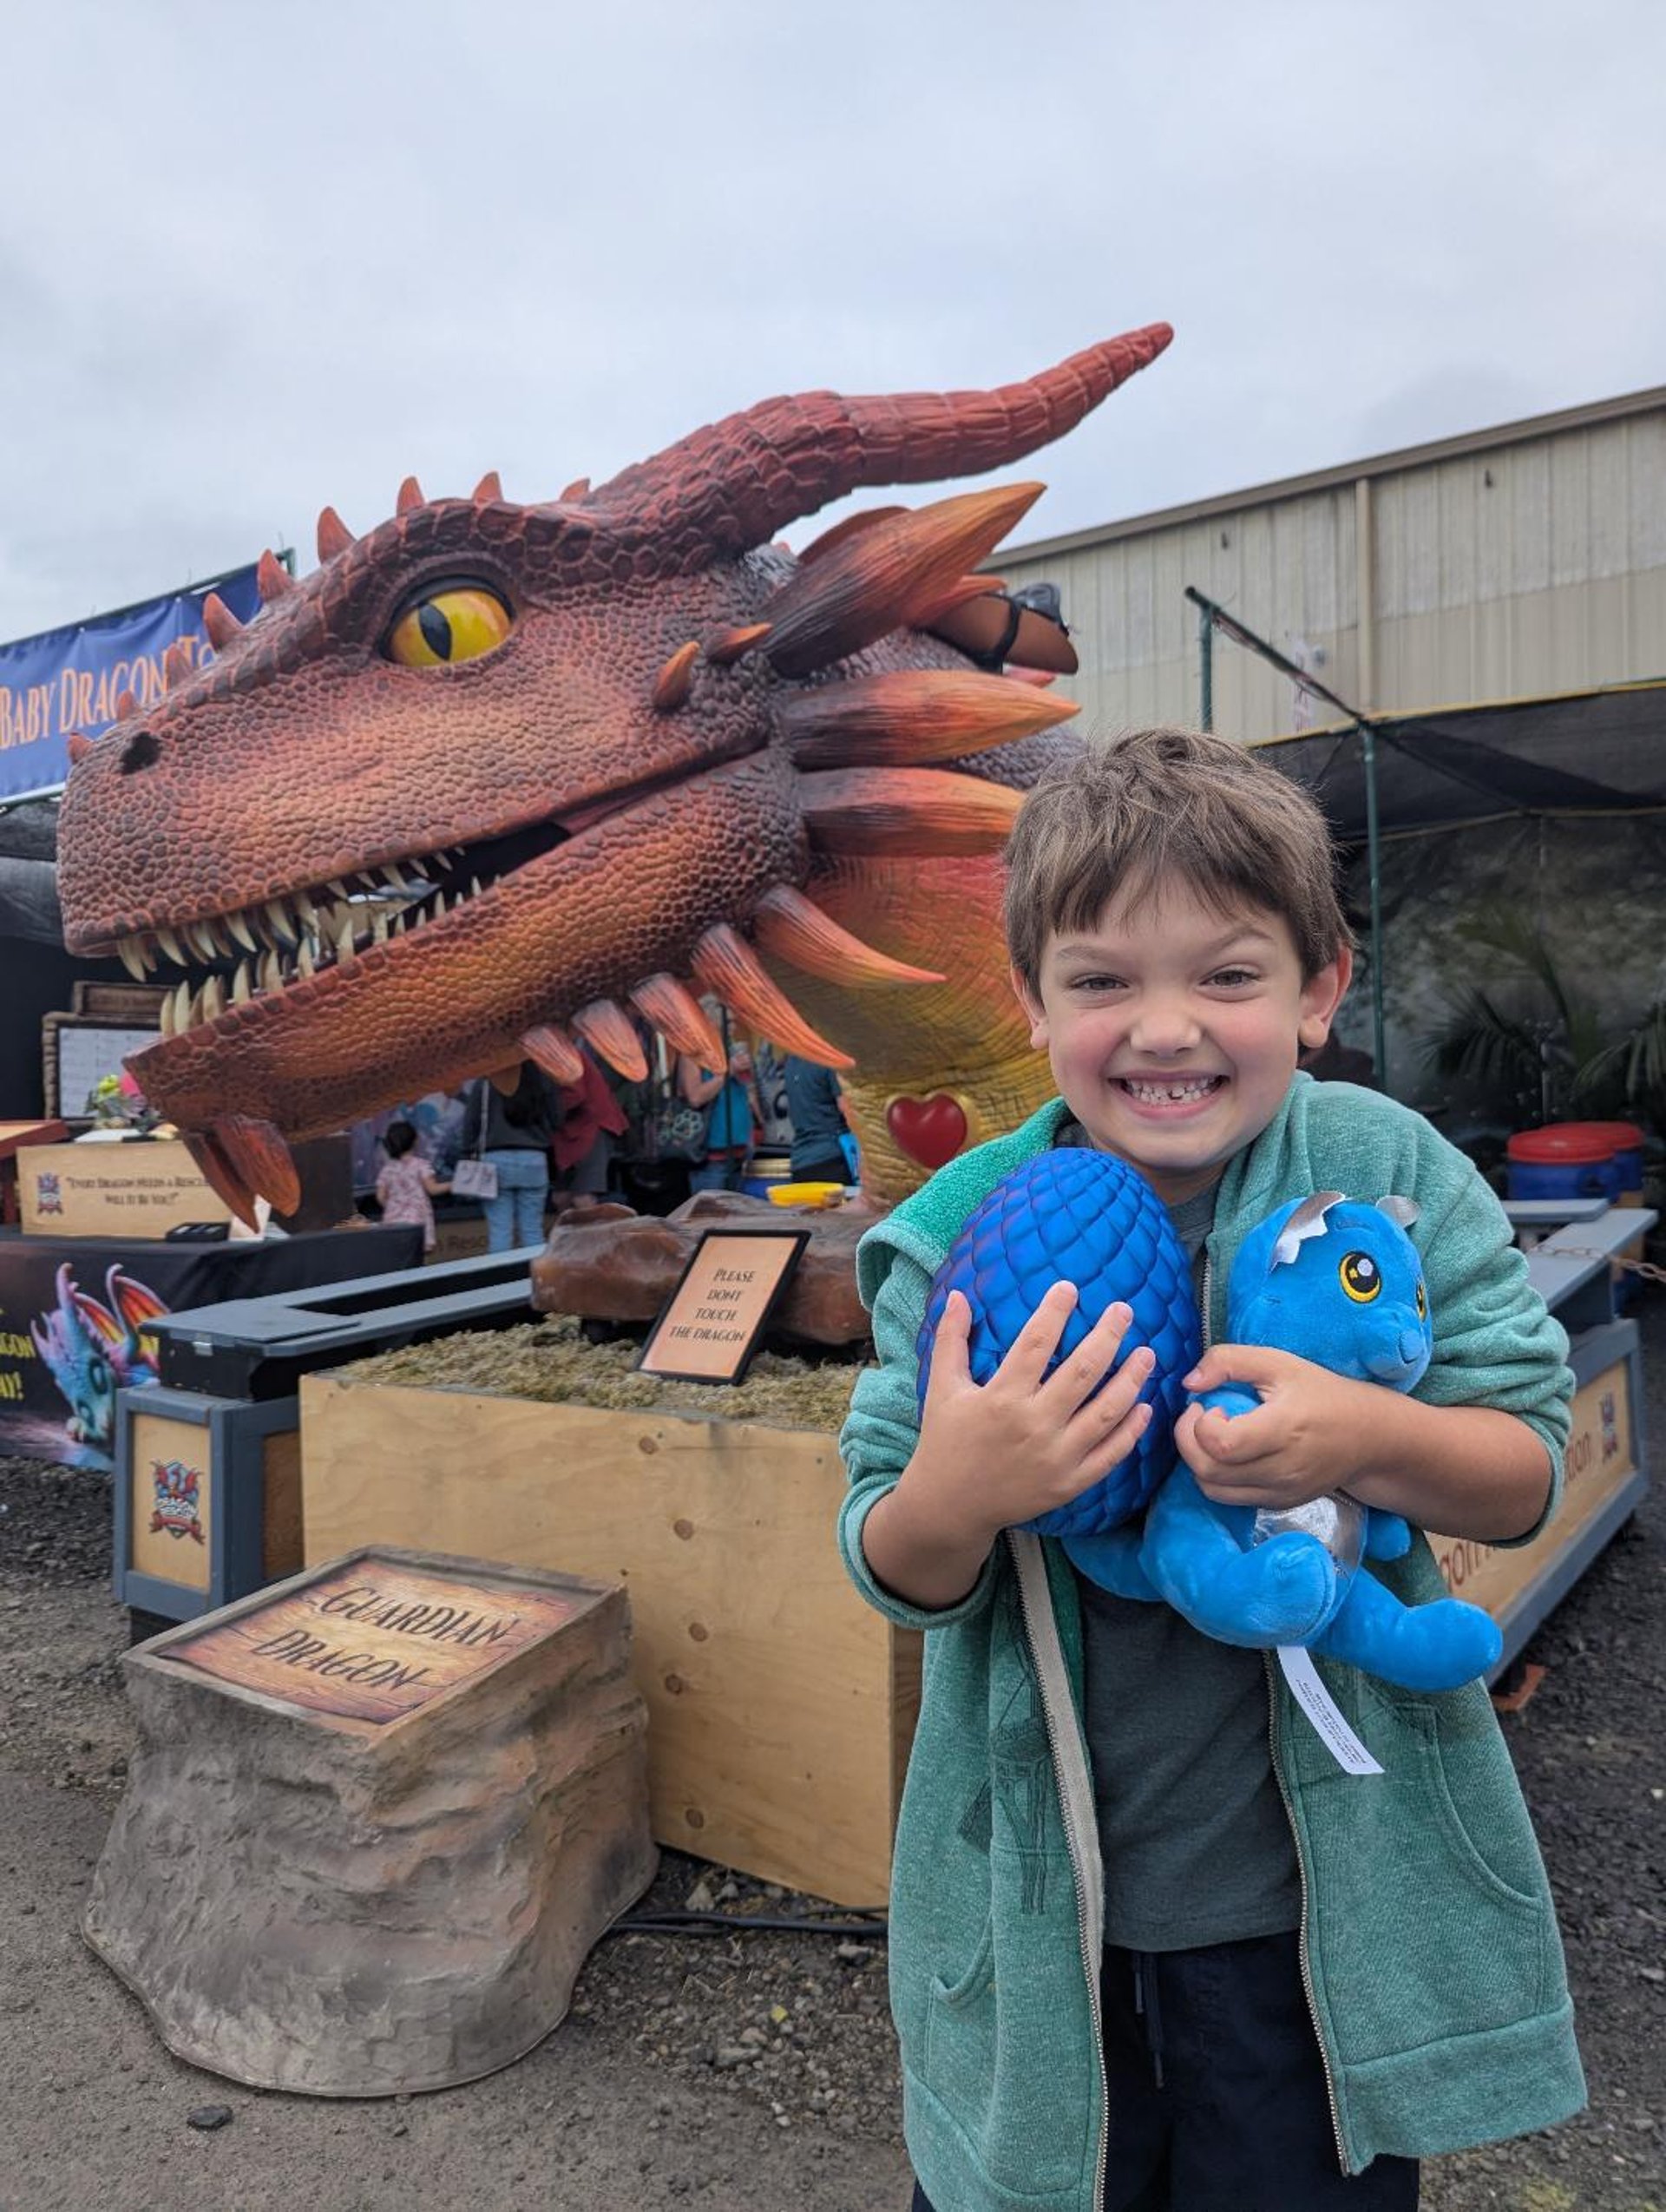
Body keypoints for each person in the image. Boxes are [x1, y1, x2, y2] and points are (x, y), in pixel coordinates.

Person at [838, 726, 1583, 2212]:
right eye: (1104, 978)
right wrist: (961, 1486)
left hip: (1313, 1920)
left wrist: (1363, 1435)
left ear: (1318, 990)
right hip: (1045, 1909)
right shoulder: (961, 1232)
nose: (1165, 1026)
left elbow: (1523, 1467)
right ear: (1032, 1001)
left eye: (1226, 975)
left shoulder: (1391, 1173)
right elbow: (890, 1557)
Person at [460, 1063, 560, 1251]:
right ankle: (535, 1277)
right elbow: (557, 1119)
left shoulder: (487, 1081)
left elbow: (470, 1124)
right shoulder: (542, 1079)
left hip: (494, 1160)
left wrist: (466, 1153)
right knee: (532, 1230)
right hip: (534, 1158)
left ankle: (501, 1278)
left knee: (500, 1231)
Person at [676, 1008, 758, 1192]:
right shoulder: (693, 1052)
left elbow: (747, 1092)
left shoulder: (731, 1049)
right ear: (709, 1022)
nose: (733, 1027)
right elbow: (695, 1097)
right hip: (711, 1156)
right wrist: (728, 1071)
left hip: (740, 1148)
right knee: (709, 1216)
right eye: (727, 1022)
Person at [374, 1118, 449, 1255]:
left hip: (392, 1221)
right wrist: (452, 1185)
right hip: (417, 1221)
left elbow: (380, 1197)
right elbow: (432, 1189)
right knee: (416, 1257)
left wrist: (394, 1206)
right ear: (415, 1141)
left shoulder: (387, 1169)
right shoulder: (421, 1165)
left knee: (397, 1258)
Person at [782, 1053, 851, 1185]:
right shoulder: (828, 1058)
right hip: (833, 1156)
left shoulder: (792, 1062)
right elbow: (847, 1109)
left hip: (801, 1163)